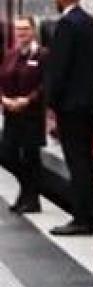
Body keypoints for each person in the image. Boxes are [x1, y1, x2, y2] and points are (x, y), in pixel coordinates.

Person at [43, 0, 93, 236]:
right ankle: (85, 214)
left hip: (71, 106)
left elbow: (59, 70)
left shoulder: (66, 25)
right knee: (85, 161)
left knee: (76, 162)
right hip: (89, 103)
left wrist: (51, 105)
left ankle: (81, 218)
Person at [0, 17, 46, 213]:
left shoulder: (43, 55)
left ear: (34, 30)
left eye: (26, 29)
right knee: (8, 155)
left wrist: (28, 100)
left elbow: (46, 84)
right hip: (11, 114)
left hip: (32, 115)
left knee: (30, 157)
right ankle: (28, 192)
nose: (21, 33)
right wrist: (4, 99)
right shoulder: (10, 55)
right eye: (18, 30)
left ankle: (30, 198)